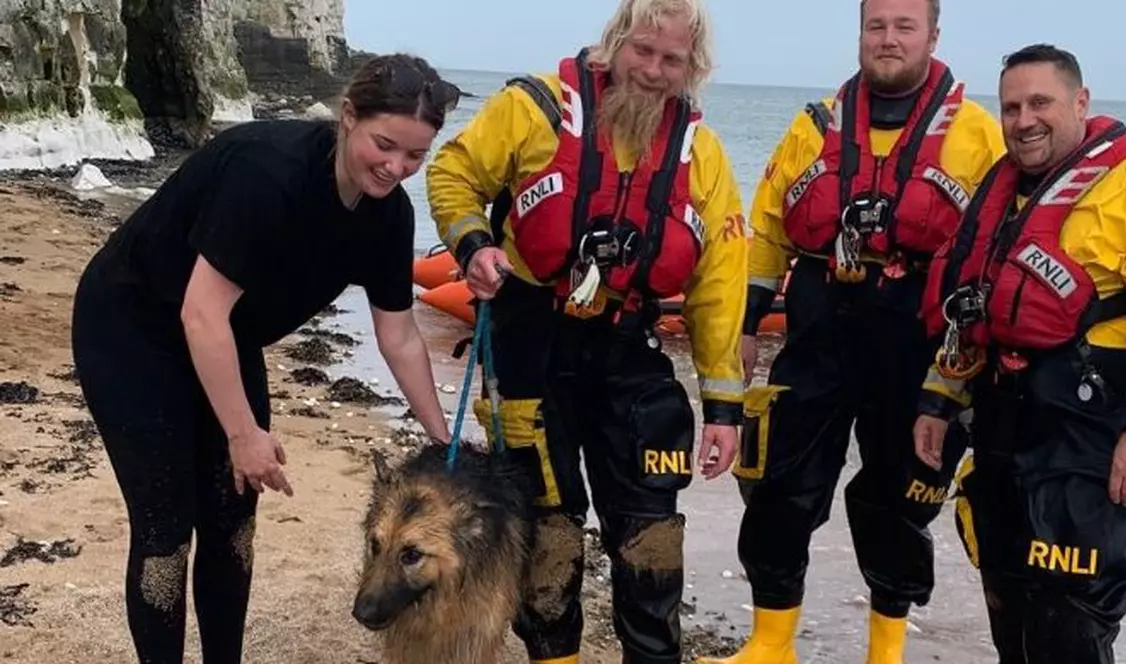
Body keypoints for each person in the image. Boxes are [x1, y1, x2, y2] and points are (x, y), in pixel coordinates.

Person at [70, 53, 456, 663]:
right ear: (348, 117)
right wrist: (243, 433)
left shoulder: (389, 215)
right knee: (166, 528)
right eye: (385, 145)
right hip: (132, 329)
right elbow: (201, 313)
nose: (395, 167)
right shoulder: (268, 175)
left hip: (228, 338)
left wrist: (441, 435)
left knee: (232, 521)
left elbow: (400, 335)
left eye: (415, 156)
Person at [425, 1, 748, 662]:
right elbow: (453, 174)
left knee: (652, 537)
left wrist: (724, 409)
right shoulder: (534, 108)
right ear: (614, 44)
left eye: (672, 60)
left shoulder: (704, 155)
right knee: (549, 533)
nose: (653, 71)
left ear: (693, 68)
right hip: (530, 347)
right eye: (643, 52)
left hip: (630, 352)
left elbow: (721, 284)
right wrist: (473, 246)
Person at [697, 1, 1009, 662]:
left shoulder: (979, 134)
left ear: (932, 35)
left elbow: (999, 248)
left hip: (917, 338)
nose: (888, 39)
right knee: (780, 483)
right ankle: (771, 643)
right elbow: (770, 226)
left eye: (904, 26)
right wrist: (748, 325)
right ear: (860, 33)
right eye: (876, 26)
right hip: (818, 328)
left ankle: (885, 649)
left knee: (900, 497)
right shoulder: (814, 125)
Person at [915, 43, 1126, 663]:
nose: (1024, 120)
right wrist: (939, 399)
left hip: (1087, 441)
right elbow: (977, 311)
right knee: (1009, 604)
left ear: (1081, 102)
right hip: (1004, 428)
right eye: (1012, 107)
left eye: (1040, 102)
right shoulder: (1005, 190)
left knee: (1072, 619)